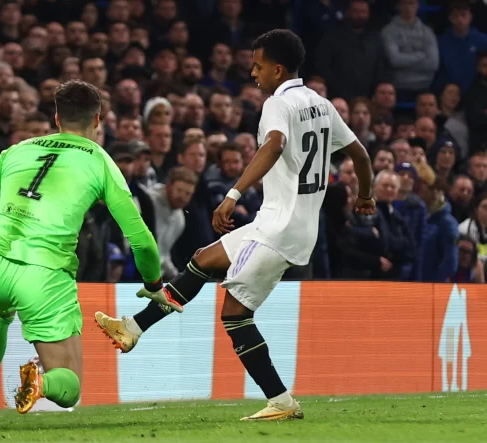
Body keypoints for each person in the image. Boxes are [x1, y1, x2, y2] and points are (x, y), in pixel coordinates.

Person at [95, 30, 375, 421]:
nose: (253, 73)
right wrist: (365, 196)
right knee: (204, 259)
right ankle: (134, 329)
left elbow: (274, 144)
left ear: (278, 69)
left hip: (279, 229)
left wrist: (233, 193)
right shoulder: (321, 104)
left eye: (258, 66)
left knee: (235, 315)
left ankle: (280, 401)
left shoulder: (277, 104)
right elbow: (360, 155)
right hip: (286, 223)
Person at [0, 80, 167, 424]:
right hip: (43, 274)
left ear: (57, 118)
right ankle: (40, 382)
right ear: (97, 120)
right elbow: (141, 240)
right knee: (70, 387)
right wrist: (153, 285)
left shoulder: (16, 151)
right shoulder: (100, 161)